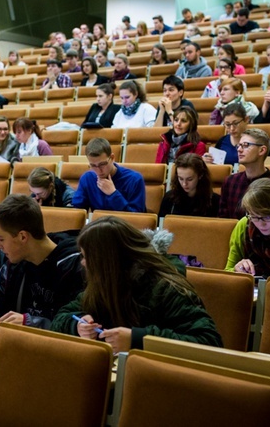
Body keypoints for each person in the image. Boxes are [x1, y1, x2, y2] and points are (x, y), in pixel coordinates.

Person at [52, 216, 222, 353]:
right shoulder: (103, 284)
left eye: (86, 256)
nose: (83, 263)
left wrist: (138, 339)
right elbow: (62, 315)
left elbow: (209, 342)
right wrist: (77, 325)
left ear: (107, 261)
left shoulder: (165, 288)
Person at [0, 194, 83, 328]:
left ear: (22, 237)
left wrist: (30, 322)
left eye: (1, 239)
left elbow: (76, 324)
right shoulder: (14, 262)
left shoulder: (75, 266)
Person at [218, 128, 270, 219]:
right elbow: (223, 219)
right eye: (239, 145)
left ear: (261, 150)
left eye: (245, 145)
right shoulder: (230, 182)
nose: (239, 150)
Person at [72, 137, 146, 213]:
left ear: (112, 158)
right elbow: (77, 211)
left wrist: (113, 194)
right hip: (98, 224)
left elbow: (137, 218)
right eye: (93, 165)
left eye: (102, 164)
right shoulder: (87, 178)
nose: (99, 170)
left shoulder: (134, 179)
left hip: (124, 224)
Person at [204, 104, 270, 166]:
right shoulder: (221, 142)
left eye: (235, 123)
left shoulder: (261, 141)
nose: (232, 128)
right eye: (227, 124)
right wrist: (208, 160)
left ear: (246, 119)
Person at [159, 154, 220, 218]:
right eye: (181, 178)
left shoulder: (215, 201)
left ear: (200, 175)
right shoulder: (169, 198)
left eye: (189, 179)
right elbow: (161, 225)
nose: (184, 184)